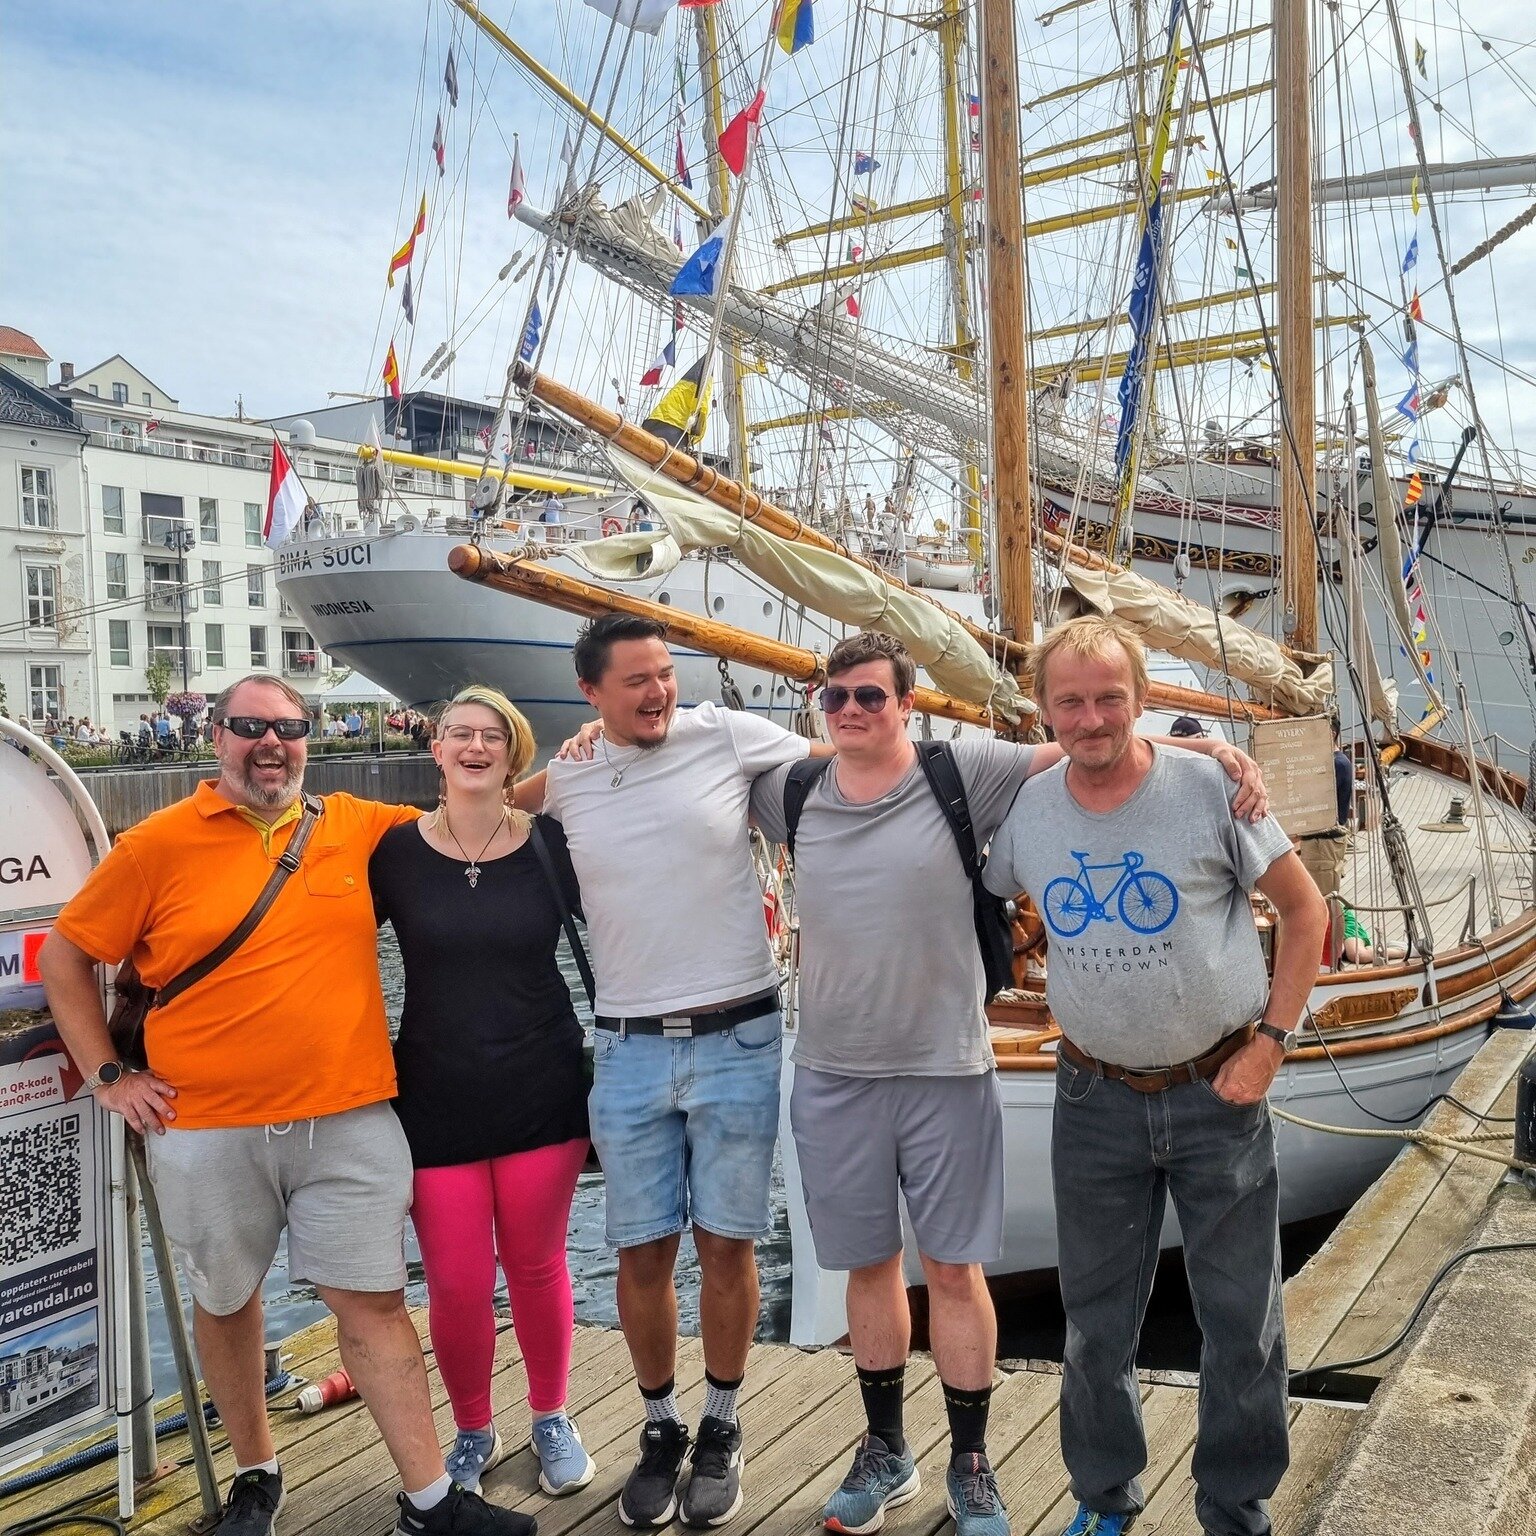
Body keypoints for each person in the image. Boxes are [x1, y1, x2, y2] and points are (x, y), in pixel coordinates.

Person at [748, 632, 1265, 1536]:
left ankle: (975, 1462)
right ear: (818, 709)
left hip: (949, 1065)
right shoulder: (789, 788)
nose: (853, 712)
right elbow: (677, 764)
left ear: (905, 703)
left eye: (872, 696)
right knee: (868, 1267)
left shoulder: (964, 769)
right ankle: (885, 1451)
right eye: (836, 700)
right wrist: (582, 751)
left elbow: (1091, 734)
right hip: (831, 1070)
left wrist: (1212, 748)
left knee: (954, 1267)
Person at [39, 673, 540, 1536]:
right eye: (249, 726)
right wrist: (108, 1077)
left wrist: (570, 762)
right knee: (228, 1301)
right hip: (204, 1125)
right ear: (217, 737)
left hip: (347, 1119)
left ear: (307, 737)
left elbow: (476, 813)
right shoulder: (155, 846)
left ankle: (428, 1500)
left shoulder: (356, 826)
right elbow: (65, 956)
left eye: (289, 727)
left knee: (374, 1304)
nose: (271, 743)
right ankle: (256, 1477)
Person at [980, 616, 1327, 1536]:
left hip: (1221, 1091)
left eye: (1109, 698)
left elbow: (1305, 911)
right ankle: (1103, 1499)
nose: (1090, 719)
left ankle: (1235, 1507)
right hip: (1092, 1095)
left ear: (1141, 699)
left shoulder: (1210, 788)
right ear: (1044, 708)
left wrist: (1273, 1044)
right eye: (1070, 701)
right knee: (1094, 1323)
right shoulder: (1026, 807)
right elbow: (967, 878)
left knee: (1241, 1323)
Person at [538, 613, 830, 1529]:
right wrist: (552, 751)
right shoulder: (573, 771)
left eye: (666, 674)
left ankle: (724, 1422)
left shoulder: (726, 734)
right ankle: (660, 1425)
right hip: (626, 1045)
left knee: (729, 1243)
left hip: (740, 1034)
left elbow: (854, 755)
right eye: (638, 681)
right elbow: (486, 809)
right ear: (592, 693)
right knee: (641, 1249)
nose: (661, 691)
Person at [371, 685, 593, 1500]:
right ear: (436, 750)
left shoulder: (552, 847)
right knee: (458, 1279)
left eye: (490, 736)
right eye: (458, 733)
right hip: (434, 1091)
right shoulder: (394, 854)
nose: (473, 746)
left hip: (542, 1083)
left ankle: (550, 1414)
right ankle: (471, 1426)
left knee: (535, 1265)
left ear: (514, 751)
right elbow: (323, 947)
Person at [1295, 718, 1354, 901]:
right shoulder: (1335, 762)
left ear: (1331, 734)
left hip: (1323, 843)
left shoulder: (1336, 765)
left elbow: (1317, 801)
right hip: (1321, 843)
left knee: (1320, 900)